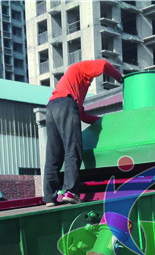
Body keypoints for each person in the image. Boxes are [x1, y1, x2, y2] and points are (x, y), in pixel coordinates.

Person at [43, 60, 123, 207]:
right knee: (72, 149)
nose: (91, 82)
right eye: (91, 79)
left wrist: (103, 122)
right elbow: (104, 64)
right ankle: (70, 192)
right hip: (66, 104)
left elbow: (83, 115)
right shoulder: (80, 68)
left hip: (51, 107)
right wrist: (120, 77)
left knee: (53, 154)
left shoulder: (70, 83)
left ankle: (49, 197)